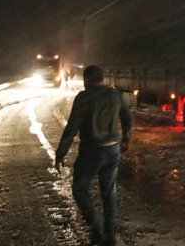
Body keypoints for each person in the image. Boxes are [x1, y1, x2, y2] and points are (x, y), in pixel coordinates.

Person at [55, 65, 134, 246]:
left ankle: (97, 226)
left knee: (80, 189)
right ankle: (110, 233)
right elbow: (128, 118)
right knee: (109, 191)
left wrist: (61, 153)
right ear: (102, 78)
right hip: (113, 150)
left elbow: (72, 128)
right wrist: (126, 139)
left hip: (92, 151)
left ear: (87, 80)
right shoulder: (115, 94)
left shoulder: (84, 98)